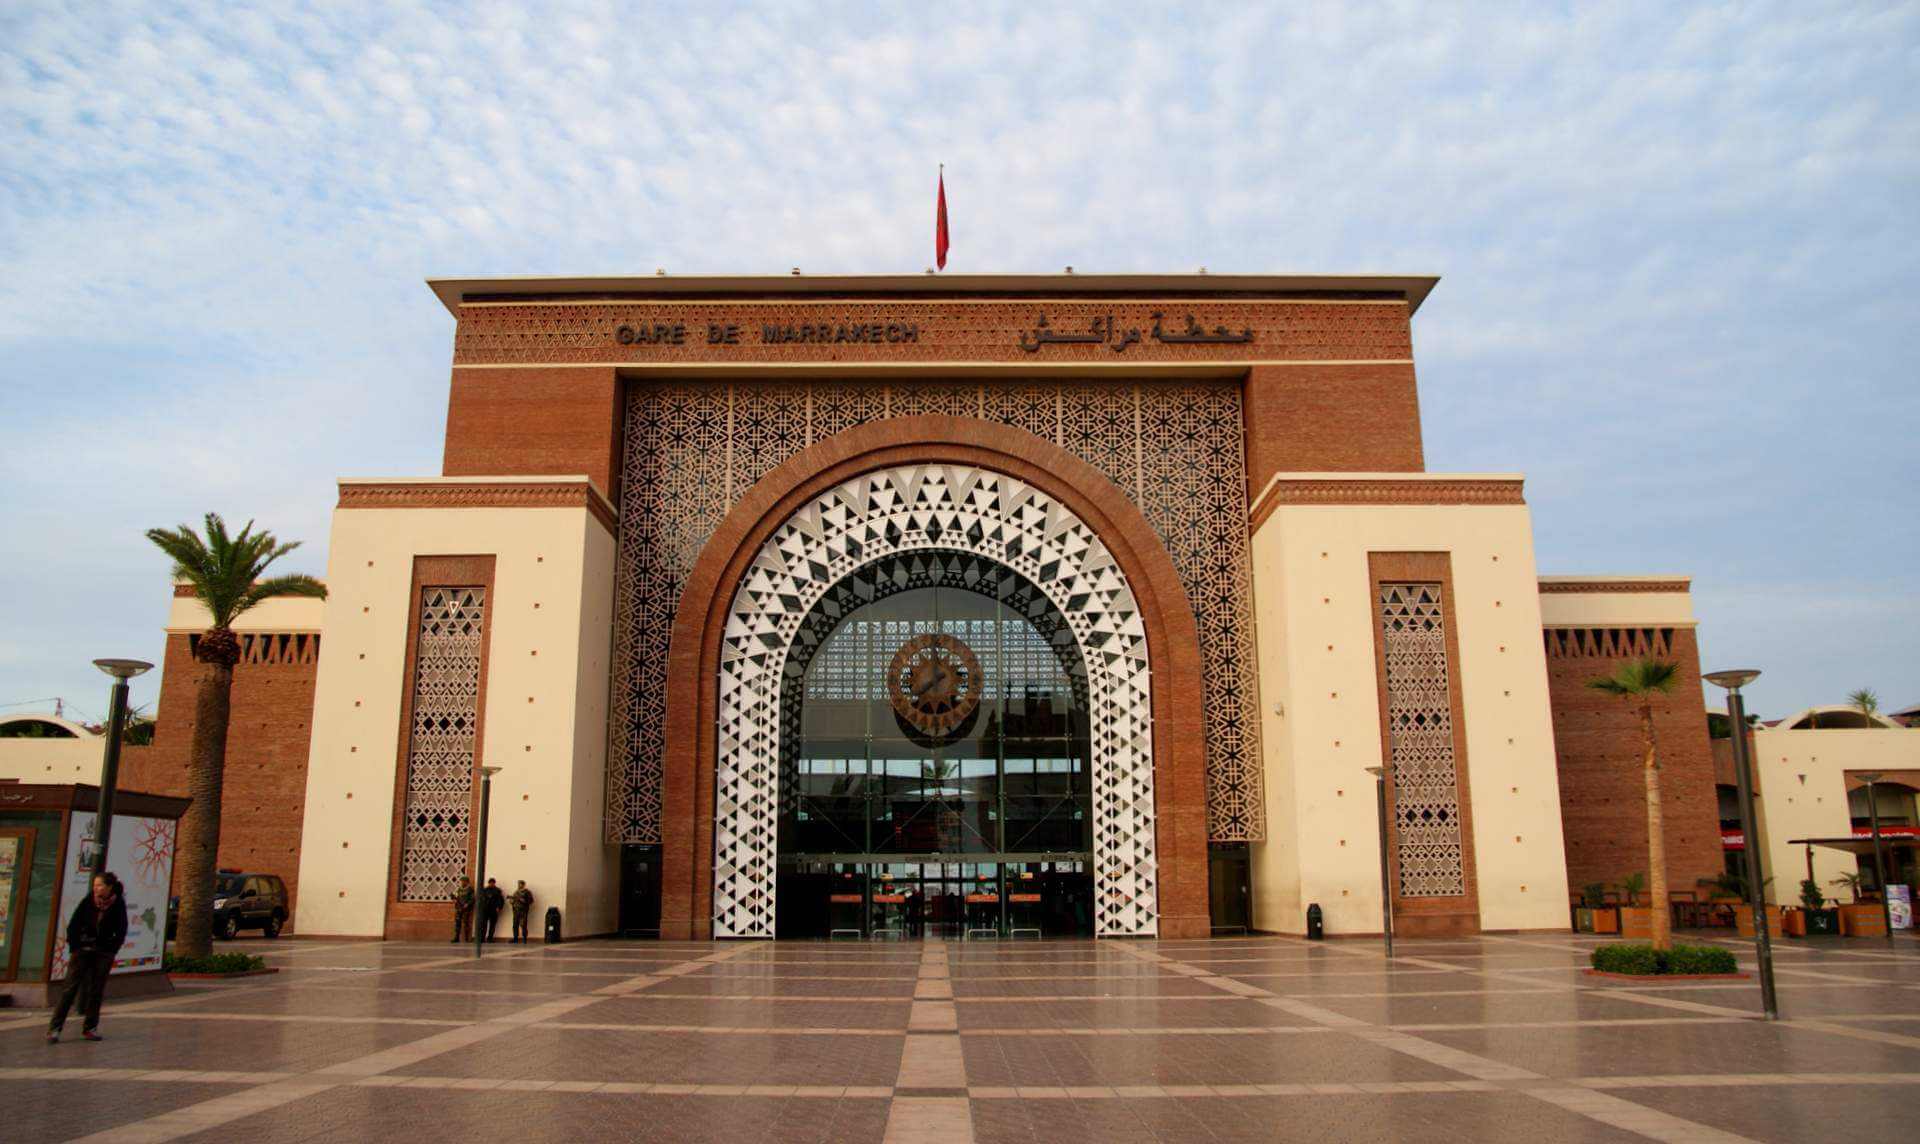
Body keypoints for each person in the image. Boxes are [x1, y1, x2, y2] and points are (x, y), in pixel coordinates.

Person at [48, 872, 128, 1043]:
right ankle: (54, 1028)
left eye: (99, 885)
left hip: (103, 952)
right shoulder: (88, 901)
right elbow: (74, 924)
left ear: (109, 887)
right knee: (69, 989)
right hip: (82, 950)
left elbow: (122, 929)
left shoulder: (118, 904)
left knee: (96, 991)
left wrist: (111, 948)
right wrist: (76, 945)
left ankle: (90, 1028)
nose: (96, 888)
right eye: (94, 885)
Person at [480, 877, 505, 943]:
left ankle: (490, 938)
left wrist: (499, 907)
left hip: (493, 910)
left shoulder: (497, 890)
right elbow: (481, 900)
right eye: (490, 883)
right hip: (485, 910)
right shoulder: (484, 890)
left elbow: (501, 900)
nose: (491, 884)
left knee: (492, 925)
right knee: (483, 925)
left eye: (492, 883)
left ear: (494, 883)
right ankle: (482, 938)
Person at [450, 876, 474, 944]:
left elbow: (472, 899)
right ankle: (456, 937)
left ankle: (467, 938)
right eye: (461, 881)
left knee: (466, 923)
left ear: (467, 882)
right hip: (459, 908)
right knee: (457, 923)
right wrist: (454, 899)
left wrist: (467, 904)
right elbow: (456, 896)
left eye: (463, 881)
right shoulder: (459, 889)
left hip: (466, 908)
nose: (462, 882)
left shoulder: (470, 889)